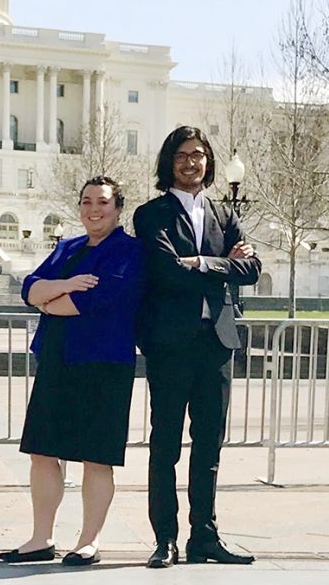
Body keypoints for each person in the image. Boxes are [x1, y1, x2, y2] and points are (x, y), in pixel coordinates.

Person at [0, 176, 143, 567]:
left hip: (103, 364)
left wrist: (51, 299)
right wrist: (63, 285)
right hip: (57, 360)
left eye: (102, 202)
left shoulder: (129, 251)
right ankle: (40, 538)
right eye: (86, 201)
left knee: (96, 458)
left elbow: (90, 302)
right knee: (42, 452)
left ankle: (87, 541)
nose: (94, 209)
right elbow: (29, 289)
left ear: (118, 208)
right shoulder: (68, 248)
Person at [133, 125, 261, 568]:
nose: (191, 163)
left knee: (209, 445)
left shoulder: (224, 214)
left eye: (199, 155)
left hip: (217, 344)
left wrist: (204, 262)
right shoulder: (151, 215)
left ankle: (204, 536)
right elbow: (168, 271)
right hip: (170, 345)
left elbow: (253, 270)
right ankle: (165, 539)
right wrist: (226, 266)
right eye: (183, 155)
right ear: (169, 162)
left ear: (208, 161)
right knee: (165, 444)